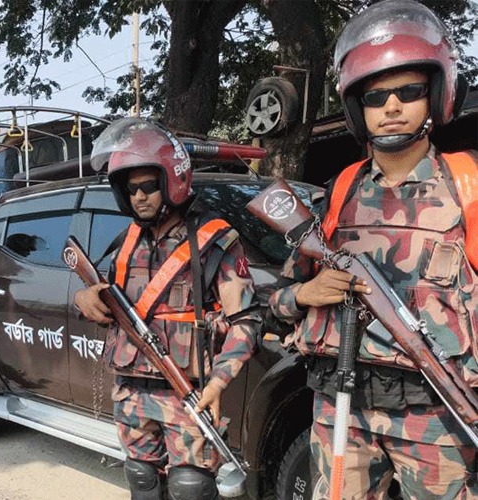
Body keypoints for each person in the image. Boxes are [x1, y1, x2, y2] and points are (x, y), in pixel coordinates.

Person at [268, 1, 477, 498]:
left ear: (438, 94)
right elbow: (278, 299)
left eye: (409, 91)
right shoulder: (339, 193)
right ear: (356, 108)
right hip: (339, 406)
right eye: (375, 95)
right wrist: (306, 294)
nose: (392, 107)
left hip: (436, 415)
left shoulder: (467, 186)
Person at [73, 118, 259, 500]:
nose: (139, 197)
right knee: (141, 477)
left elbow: (246, 322)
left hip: (187, 389)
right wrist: (84, 299)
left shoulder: (214, 241)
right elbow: (104, 297)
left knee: (190, 486)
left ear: (172, 181)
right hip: (130, 389)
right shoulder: (125, 242)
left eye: (148, 186)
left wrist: (219, 381)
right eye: (131, 189)